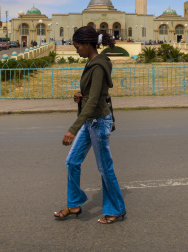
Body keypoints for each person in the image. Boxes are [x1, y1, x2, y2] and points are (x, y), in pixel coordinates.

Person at [54, 26, 126, 225]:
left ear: (87, 44)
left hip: (99, 122)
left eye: (78, 47)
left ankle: (117, 209)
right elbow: (92, 96)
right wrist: (81, 96)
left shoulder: (98, 66)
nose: (76, 51)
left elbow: (95, 100)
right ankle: (75, 203)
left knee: (105, 168)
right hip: (89, 120)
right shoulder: (93, 63)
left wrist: (72, 129)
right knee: (72, 161)